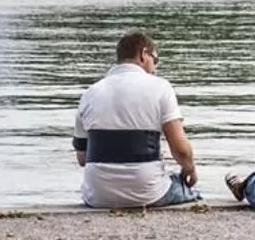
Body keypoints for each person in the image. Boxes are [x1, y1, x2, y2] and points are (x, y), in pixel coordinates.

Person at [72, 31, 201, 208]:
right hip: (147, 192)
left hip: (98, 195)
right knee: (189, 190)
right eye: (155, 61)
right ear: (144, 54)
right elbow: (181, 150)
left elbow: (82, 158)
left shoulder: (90, 93)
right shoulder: (161, 87)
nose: (155, 68)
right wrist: (190, 170)